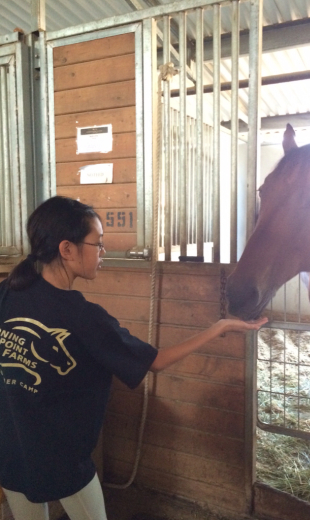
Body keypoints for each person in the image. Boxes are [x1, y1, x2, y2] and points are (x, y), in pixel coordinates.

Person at [0, 196, 268, 520]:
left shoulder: (7, 292)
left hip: (12, 453)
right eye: (97, 244)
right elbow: (156, 361)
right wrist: (217, 328)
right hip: (63, 461)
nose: (103, 253)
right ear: (67, 249)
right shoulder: (85, 318)